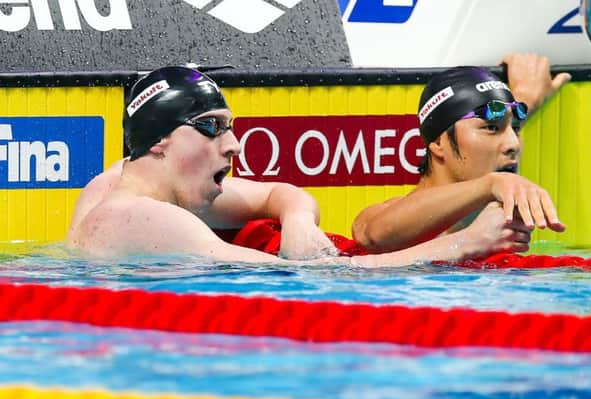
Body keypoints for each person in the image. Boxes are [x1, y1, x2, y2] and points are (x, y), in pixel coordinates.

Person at [67, 65, 530, 267]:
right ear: (160, 142)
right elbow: (315, 282)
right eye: (212, 128)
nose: (232, 146)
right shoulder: (145, 217)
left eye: (229, 127)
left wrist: (296, 218)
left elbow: (280, 193)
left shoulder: (121, 180)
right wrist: (463, 246)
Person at [352, 54, 571, 253]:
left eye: (514, 128)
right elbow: (371, 234)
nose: (513, 144)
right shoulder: (386, 220)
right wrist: (490, 184)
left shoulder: (500, 231)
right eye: (491, 127)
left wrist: (525, 98)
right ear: (438, 142)